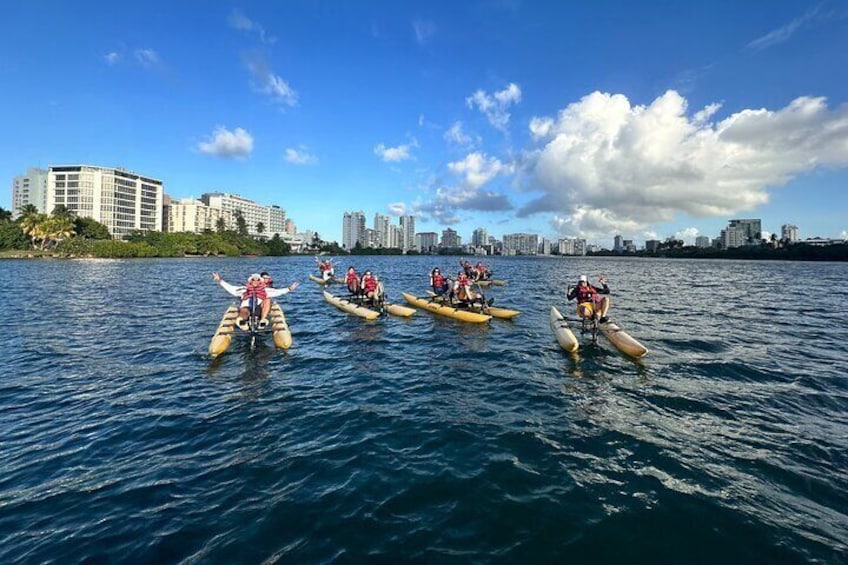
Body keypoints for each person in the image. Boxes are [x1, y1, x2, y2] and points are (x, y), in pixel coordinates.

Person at [213, 272, 298, 330]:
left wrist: (289, 289)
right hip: (246, 308)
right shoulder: (243, 289)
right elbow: (230, 288)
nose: (255, 281)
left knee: (267, 299)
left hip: (259, 310)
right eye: (253, 280)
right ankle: (242, 322)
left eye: (258, 280)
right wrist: (219, 280)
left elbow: (277, 292)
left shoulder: (265, 290)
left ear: (260, 281)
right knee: (244, 310)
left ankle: (263, 320)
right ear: (250, 281)